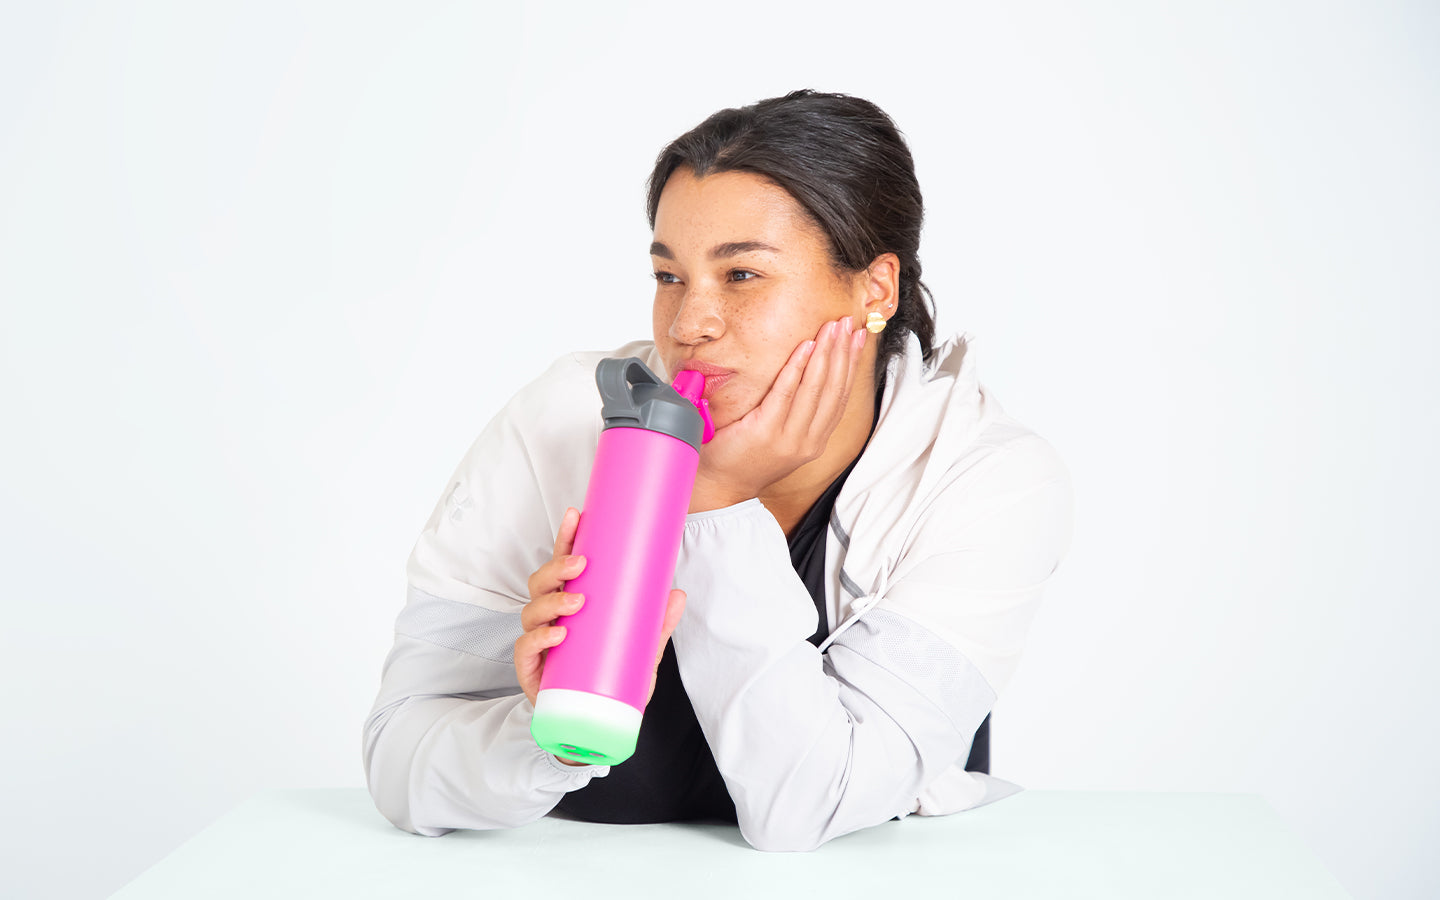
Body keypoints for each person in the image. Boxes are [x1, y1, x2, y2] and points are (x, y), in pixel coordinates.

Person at [362, 90, 1074, 852]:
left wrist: (713, 501)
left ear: (874, 291)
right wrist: (547, 735)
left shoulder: (982, 480)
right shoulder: (562, 423)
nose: (688, 326)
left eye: (741, 277)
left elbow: (812, 807)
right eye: (670, 278)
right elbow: (400, 761)